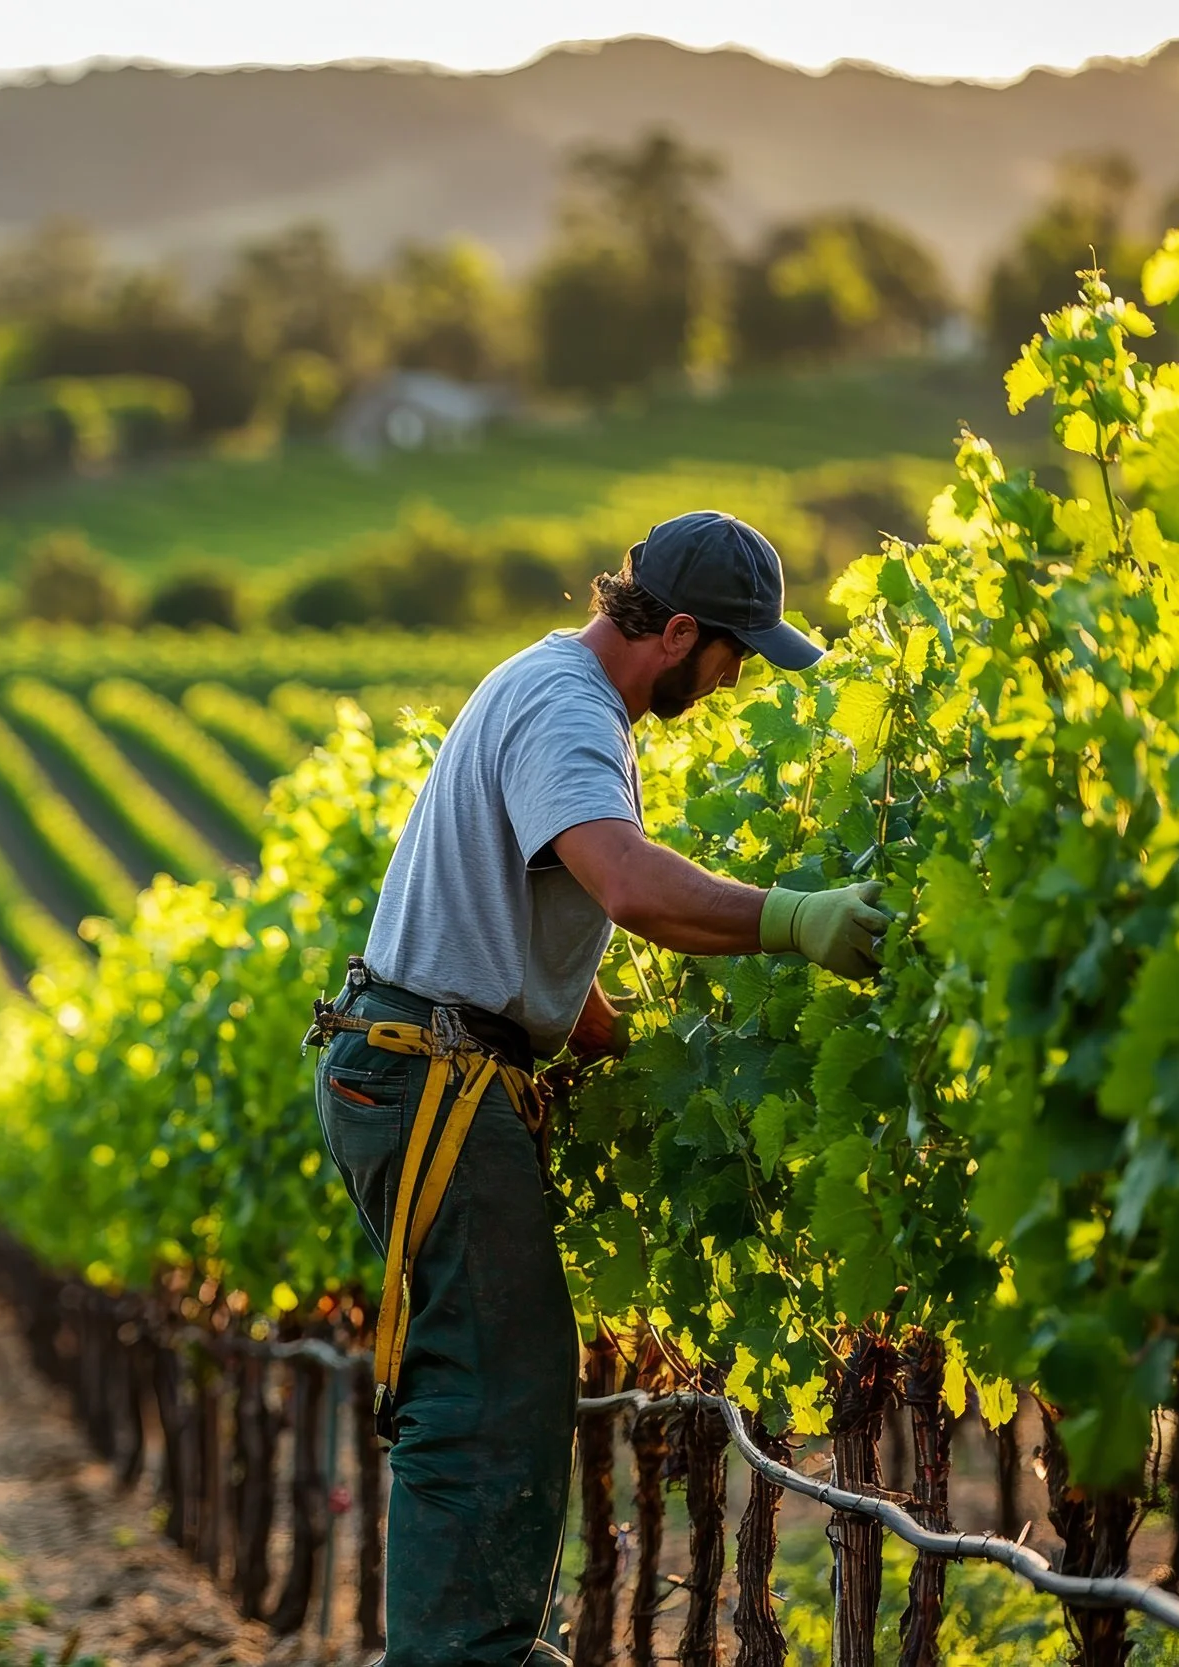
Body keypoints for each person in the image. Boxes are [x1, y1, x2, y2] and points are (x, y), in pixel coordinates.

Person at [307, 511, 888, 1666]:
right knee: (486, 1392)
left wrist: (622, 1046)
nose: (733, 680)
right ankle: (463, 1655)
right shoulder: (570, 710)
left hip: (426, 1064)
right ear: (675, 632)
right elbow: (623, 886)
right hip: (436, 1079)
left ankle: (468, 1647)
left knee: (491, 1380)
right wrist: (794, 919)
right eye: (733, 653)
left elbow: (528, 934)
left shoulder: (545, 687)